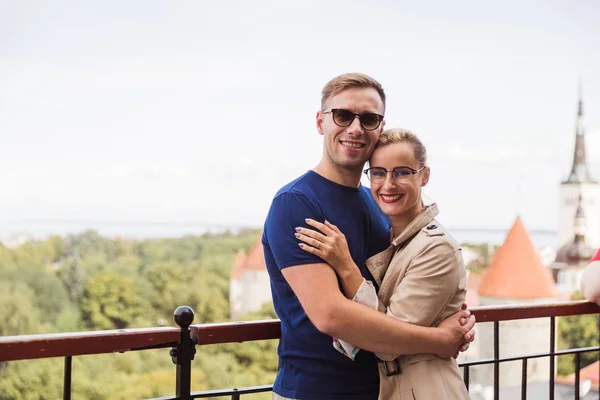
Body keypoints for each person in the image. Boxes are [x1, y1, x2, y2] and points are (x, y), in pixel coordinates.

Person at [262, 73, 475, 400]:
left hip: (382, 388)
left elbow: (396, 297)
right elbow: (330, 315)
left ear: (380, 127)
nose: (356, 128)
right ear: (321, 122)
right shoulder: (297, 203)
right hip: (315, 391)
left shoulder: (377, 204)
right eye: (343, 115)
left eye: (369, 118)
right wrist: (439, 340)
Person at [296, 128, 470, 399]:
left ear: (424, 176)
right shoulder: (394, 237)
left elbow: (387, 344)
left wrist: (345, 266)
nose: (388, 184)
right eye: (378, 172)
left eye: (402, 172)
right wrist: (441, 339)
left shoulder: (436, 246)